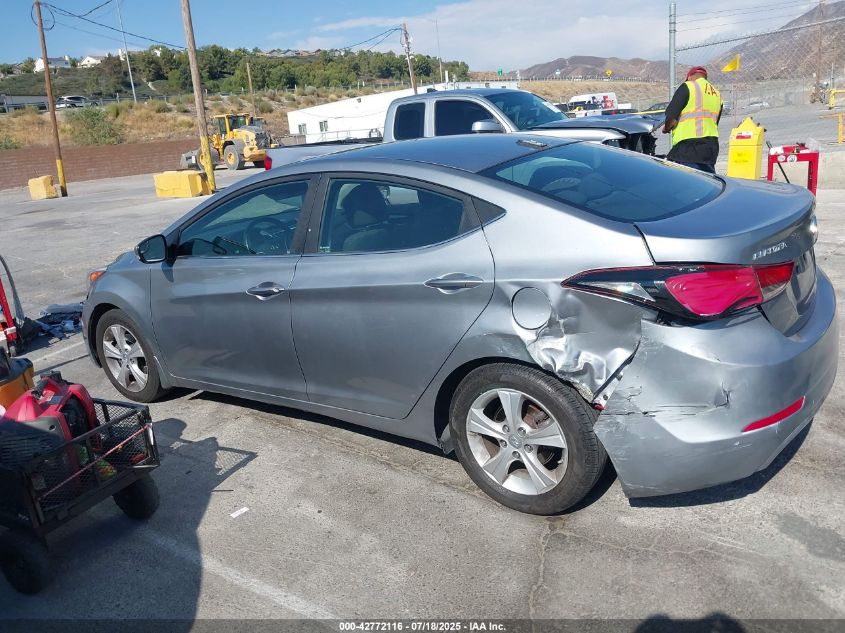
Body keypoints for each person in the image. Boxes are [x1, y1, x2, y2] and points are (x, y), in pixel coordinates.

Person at [662, 66, 723, 173]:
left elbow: (672, 117)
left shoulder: (688, 86)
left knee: (686, 182)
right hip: (711, 147)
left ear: (689, 77)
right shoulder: (717, 94)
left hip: (689, 146)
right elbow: (714, 122)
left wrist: (666, 128)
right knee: (707, 181)